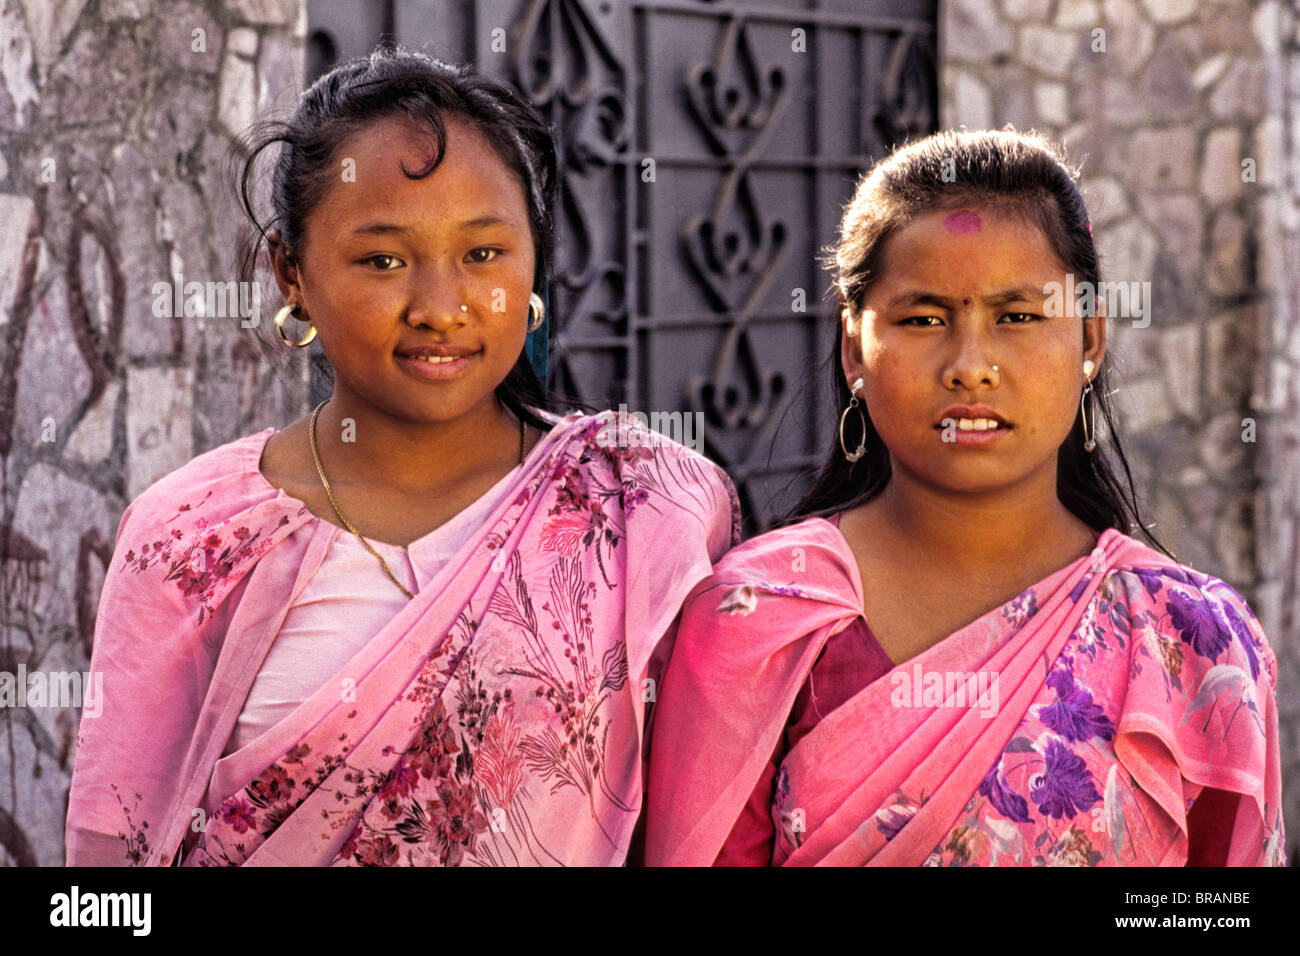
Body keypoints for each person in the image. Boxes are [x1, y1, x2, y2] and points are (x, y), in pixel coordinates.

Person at [65, 48, 738, 867]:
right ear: (293, 276)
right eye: (382, 259)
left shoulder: (643, 504)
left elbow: (708, 823)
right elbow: (114, 851)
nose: (440, 307)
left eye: (483, 254)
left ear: (532, 266)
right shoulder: (189, 538)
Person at [645, 129, 1285, 867]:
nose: (971, 366)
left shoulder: (1188, 639)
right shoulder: (762, 618)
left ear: (1090, 340)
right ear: (855, 346)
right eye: (923, 319)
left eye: (1017, 317)